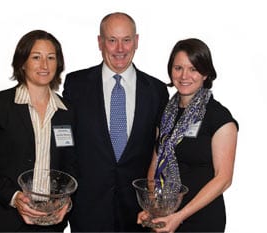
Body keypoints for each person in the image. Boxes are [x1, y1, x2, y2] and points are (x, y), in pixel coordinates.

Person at [62, 12, 169, 232]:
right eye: (112, 40)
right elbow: (66, 144)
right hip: (87, 210)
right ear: (100, 42)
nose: (120, 49)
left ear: (136, 41)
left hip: (138, 213)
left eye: (126, 40)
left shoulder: (157, 91)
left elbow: (162, 152)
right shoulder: (76, 85)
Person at [0, 30, 76, 232]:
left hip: (51, 221)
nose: (44, 65)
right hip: (3, 219)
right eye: (36, 57)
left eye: (51, 58)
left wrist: (67, 201)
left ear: (58, 64)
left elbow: (73, 165)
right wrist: (14, 197)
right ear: (22, 63)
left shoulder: (68, 112)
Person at [137, 38, 239, 232]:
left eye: (193, 69)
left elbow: (223, 178)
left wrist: (179, 216)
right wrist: (154, 208)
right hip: (167, 215)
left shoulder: (219, 117)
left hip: (201, 219)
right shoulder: (165, 114)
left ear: (206, 73)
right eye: (178, 68)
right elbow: (155, 164)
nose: (184, 76)